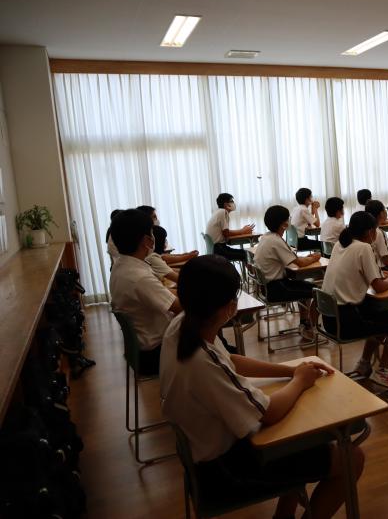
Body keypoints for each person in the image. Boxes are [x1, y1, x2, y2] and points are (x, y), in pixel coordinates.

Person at [160, 255, 362, 519]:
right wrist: (300, 381)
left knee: (299, 436)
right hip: (224, 471)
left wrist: (292, 371)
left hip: (206, 454)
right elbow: (268, 412)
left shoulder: (183, 325)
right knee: (351, 457)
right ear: (230, 307)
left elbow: (231, 361)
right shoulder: (202, 360)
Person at [322, 212, 388, 390]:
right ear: (370, 231)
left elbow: (359, 272)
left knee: (377, 315)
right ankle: (383, 371)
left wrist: (379, 275)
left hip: (330, 318)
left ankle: (364, 363)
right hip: (347, 321)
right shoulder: (363, 247)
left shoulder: (340, 244)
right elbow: (378, 286)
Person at [109, 209, 182, 375]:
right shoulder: (139, 277)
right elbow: (180, 307)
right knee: (205, 324)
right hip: (157, 353)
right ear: (147, 240)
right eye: (151, 232)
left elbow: (164, 294)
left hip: (142, 350)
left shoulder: (121, 266)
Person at [254, 206, 323, 339]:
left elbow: (293, 259)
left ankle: (304, 322)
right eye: (288, 219)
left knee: (306, 285)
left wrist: (307, 258)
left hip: (267, 287)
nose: (289, 221)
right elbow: (299, 263)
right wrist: (315, 258)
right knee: (317, 292)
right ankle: (309, 327)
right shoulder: (275, 241)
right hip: (276, 288)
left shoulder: (266, 237)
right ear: (284, 224)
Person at [206, 193, 256, 262]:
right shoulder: (223, 212)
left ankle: (249, 268)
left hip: (215, 249)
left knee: (243, 253)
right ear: (226, 204)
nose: (233, 203)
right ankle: (252, 268)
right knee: (245, 253)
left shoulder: (218, 212)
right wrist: (243, 231)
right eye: (231, 201)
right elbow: (226, 233)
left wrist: (243, 230)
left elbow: (225, 232)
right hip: (219, 250)